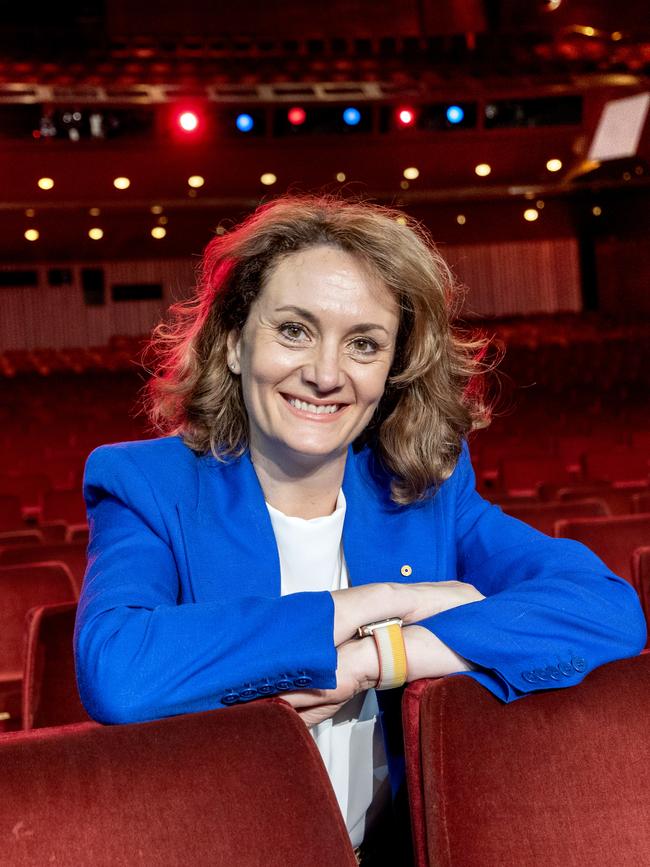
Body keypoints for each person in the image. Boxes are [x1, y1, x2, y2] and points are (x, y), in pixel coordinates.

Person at [74, 195, 646, 863]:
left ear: (392, 368)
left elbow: (606, 607)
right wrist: (373, 606)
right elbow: (118, 669)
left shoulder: (425, 488)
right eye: (294, 329)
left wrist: (381, 659)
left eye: (364, 343)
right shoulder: (146, 485)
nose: (324, 372)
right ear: (234, 341)